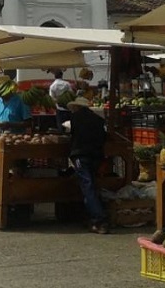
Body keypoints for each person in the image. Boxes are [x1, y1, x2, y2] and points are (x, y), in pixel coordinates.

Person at [66, 96, 110, 234]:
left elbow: (72, 135)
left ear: (76, 107)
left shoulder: (75, 118)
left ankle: (99, 219)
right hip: (96, 156)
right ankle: (91, 216)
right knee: (91, 184)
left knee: (88, 186)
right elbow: (104, 137)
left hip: (81, 155)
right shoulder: (98, 119)